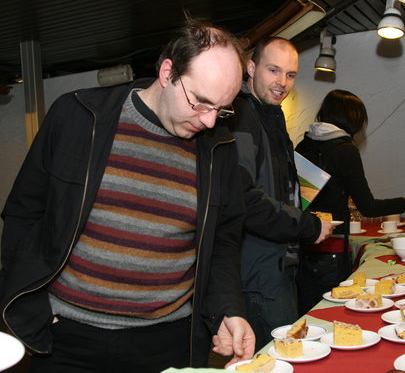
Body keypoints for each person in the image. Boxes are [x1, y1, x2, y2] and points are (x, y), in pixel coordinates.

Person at [0, 20, 255, 372]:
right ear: (167, 72)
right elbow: (23, 213)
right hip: (67, 339)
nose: (210, 121)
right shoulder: (78, 115)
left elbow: (223, 243)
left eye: (222, 109)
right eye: (200, 103)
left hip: (165, 343)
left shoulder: (218, 148)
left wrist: (229, 308)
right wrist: (32, 305)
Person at [226, 37, 333, 350]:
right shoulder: (243, 116)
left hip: (276, 265)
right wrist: (307, 225)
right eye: (274, 70)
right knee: (284, 359)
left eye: (290, 75)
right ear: (251, 67)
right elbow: (244, 199)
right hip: (259, 274)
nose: (282, 82)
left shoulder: (269, 115)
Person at [295, 89, 405, 315]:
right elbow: (368, 207)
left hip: (302, 244)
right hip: (331, 247)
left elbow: (303, 199)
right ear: (353, 119)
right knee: (334, 313)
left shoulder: (302, 146)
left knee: (308, 314)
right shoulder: (345, 150)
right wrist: (404, 202)